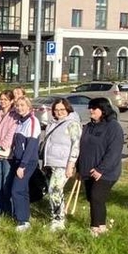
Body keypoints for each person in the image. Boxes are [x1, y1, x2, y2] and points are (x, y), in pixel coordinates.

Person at [78, 97, 124, 237]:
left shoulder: (113, 127)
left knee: (96, 196)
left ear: (103, 110)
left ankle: (95, 228)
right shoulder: (88, 127)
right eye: (90, 108)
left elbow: (114, 152)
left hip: (106, 172)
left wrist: (101, 169)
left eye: (94, 108)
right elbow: (81, 147)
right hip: (88, 170)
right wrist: (78, 167)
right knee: (93, 199)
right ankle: (102, 226)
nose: (90, 110)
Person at [40, 98, 82, 231]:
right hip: (50, 163)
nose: (59, 112)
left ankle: (58, 220)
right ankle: (56, 216)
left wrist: (71, 164)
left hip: (63, 164)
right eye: (56, 110)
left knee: (55, 190)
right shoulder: (52, 124)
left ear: (68, 109)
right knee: (53, 191)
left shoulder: (72, 124)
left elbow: (76, 145)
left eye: (62, 109)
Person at [8, 96, 41, 231]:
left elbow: (31, 145)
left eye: (22, 105)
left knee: (17, 190)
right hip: (18, 160)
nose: (19, 108)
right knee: (23, 190)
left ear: (28, 106)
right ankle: (24, 217)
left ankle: (22, 221)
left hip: (27, 162)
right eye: (17, 105)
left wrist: (22, 165)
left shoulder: (32, 121)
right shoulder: (20, 122)